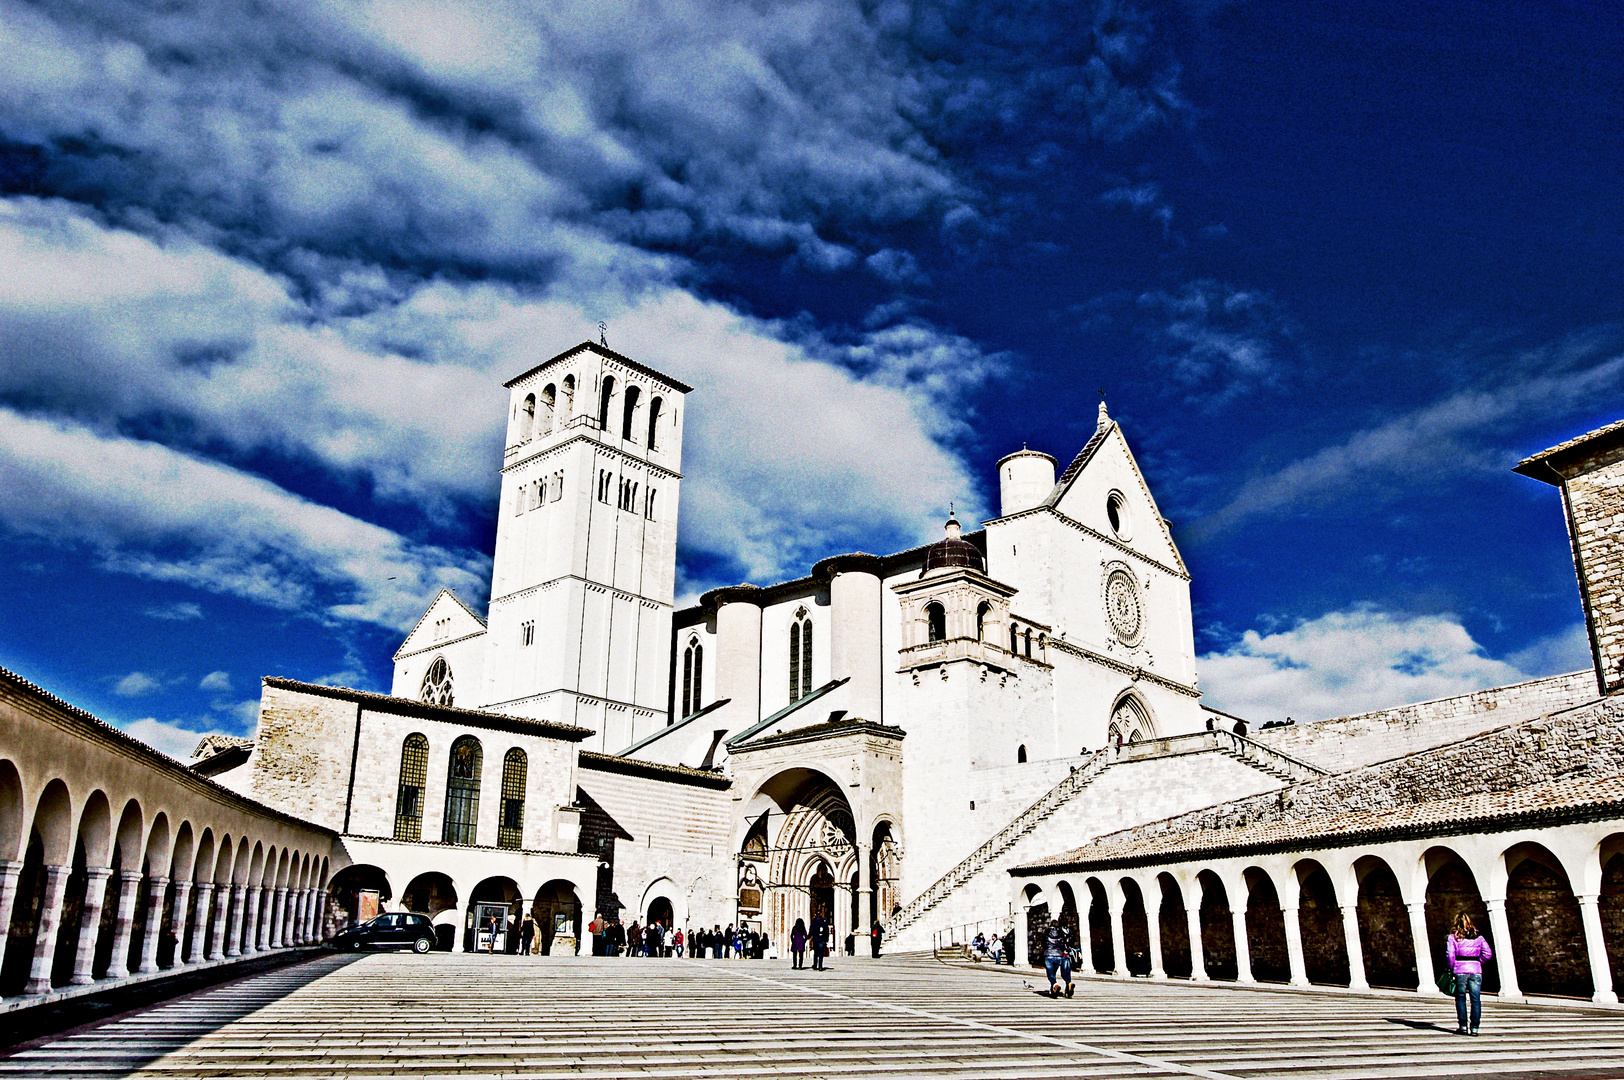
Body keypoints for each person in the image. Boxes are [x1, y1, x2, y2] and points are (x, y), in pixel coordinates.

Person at [1447, 913, 1494, 1036]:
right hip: (1476, 970)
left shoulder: (1453, 937)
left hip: (1460, 970)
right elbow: (1488, 953)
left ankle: (1463, 1026)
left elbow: (1450, 955)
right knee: (1475, 999)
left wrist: (1451, 967)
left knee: (1460, 998)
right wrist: (1478, 961)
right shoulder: (1478, 937)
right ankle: (1474, 1028)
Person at [1043, 918, 1074, 998]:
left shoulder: (1046, 932)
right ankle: (1068, 983)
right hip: (1059, 955)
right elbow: (1063, 943)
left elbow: (1043, 942)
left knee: (1051, 974)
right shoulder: (1061, 932)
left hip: (1049, 954)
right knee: (1064, 971)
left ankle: (1055, 985)